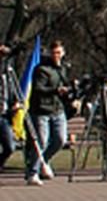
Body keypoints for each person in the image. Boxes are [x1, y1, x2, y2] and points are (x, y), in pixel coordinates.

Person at [25, 39, 69, 187]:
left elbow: (65, 86)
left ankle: (44, 161)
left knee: (60, 140)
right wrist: (55, 91)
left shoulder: (62, 69)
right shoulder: (41, 69)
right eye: (54, 53)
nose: (57, 55)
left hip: (58, 109)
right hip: (41, 110)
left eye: (59, 52)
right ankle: (32, 172)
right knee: (42, 141)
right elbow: (38, 89)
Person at [0, 43, 16, 170]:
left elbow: (12, 91)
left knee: (10, 147)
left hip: (4, 115)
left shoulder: (7, 74)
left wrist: (15, 103)